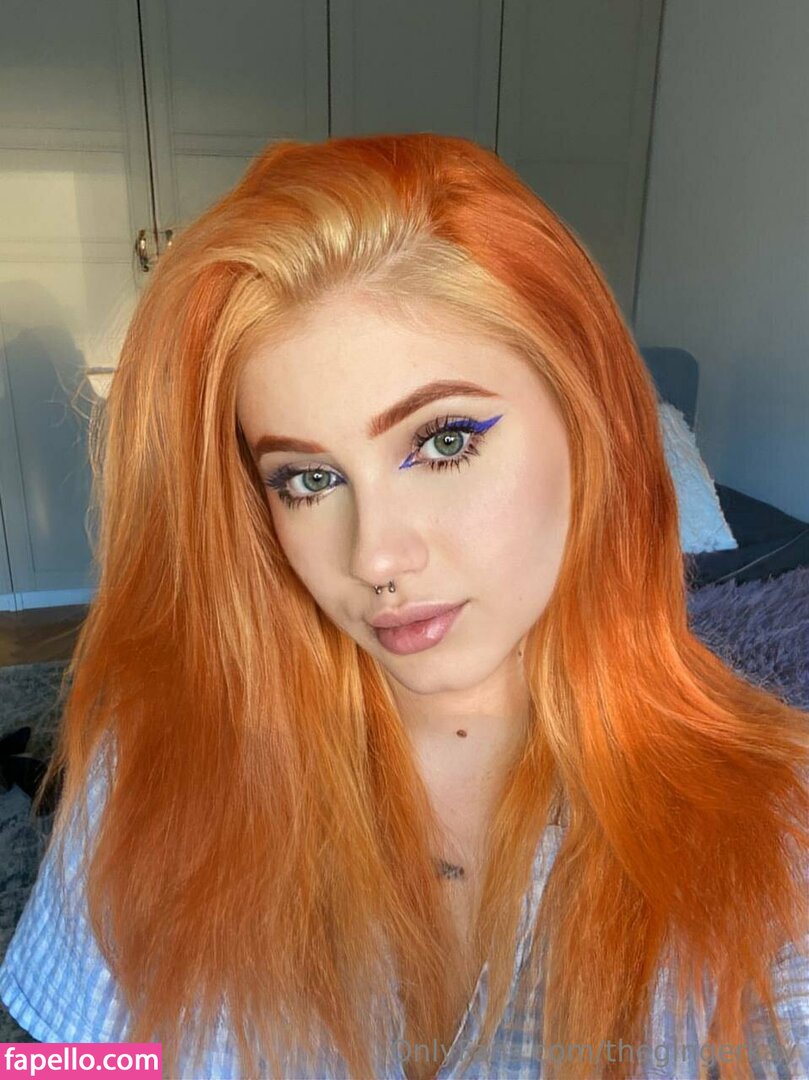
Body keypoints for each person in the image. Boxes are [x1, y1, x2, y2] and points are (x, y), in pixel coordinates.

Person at [0, 133, 807, 1080]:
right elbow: (69, 1064)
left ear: (591, 424)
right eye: (306, 479)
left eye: (445, 440)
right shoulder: (156, 765)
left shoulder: (776, 826)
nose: (375, 557)